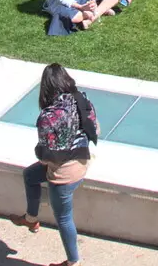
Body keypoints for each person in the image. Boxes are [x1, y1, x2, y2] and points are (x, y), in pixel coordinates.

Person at [12, 63, 96, 266]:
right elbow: (95, 129)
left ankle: (73, 261)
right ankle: (31, 218)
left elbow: (45, 155)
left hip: (64, 177)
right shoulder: (82, 100)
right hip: (83, 160)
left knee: (64, 219)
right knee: (30, 175)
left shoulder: (48, 117)